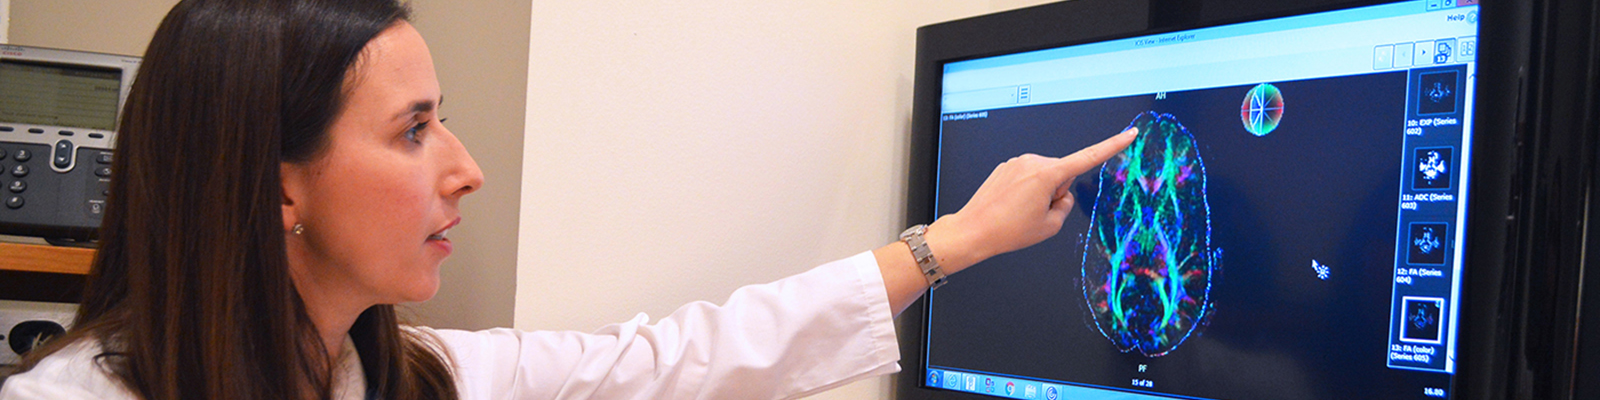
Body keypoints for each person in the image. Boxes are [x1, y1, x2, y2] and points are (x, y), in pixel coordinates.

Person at [0, 0, 1135, 399]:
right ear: (273, 187)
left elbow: (685, 356)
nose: (465, 166)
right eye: (413, 129)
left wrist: (954, 242)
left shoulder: (415, 374)